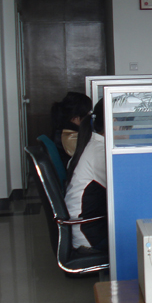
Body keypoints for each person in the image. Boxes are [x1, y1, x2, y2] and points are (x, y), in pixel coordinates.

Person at [64, 99, 108, 253]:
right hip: (90, 236)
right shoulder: (100, 152)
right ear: (113, 122)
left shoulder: (94, 144)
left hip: (87, 227)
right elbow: (126, 190)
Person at [51, 92, 93, 166]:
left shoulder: (63, 129)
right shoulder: (69, 137)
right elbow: (90, 157)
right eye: (88, 114)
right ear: (75, 118)